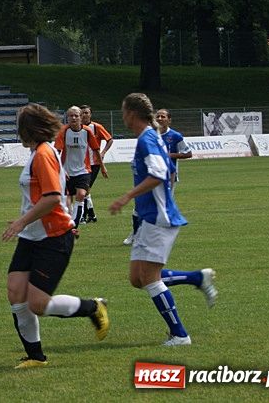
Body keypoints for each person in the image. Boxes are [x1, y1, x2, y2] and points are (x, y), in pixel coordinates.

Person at [2, 103, 109, 369]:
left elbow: (51, 198)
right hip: (32, 235)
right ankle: (35, 357)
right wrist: (24, 223)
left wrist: (20, 222)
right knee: (16, 292)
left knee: (37, 303)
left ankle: (93, 307)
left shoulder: (42, 155)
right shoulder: (37, 153)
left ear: (28, 129)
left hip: (54, 236)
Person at [109, 93, 218, 346]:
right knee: (137, 278)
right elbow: (165, 173)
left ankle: (180, 335)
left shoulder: (147, 138)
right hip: (151, 217)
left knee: (150, 279)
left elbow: (158, 175)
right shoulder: (150, 137)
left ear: (132, 114)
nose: (122, 116)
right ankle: (196, 278)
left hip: (158, 218)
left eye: (123, 111)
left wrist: (126, 197)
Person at [123, 108, 192, 245]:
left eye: (163, 116)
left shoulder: (175, 136)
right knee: (139, 206)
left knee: (161, 208)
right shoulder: (150, 135)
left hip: (168, 178)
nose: (160, 118)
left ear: (169, 120)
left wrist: (170, 155)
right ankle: (135, 233)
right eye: (158, 116)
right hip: (147, 177)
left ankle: (156, 237)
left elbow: (188, 153)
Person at [54, 106, 106, 236]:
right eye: (71, 116)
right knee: (67, 200)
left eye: (76, 115)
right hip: (66, 170)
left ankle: (74, 226)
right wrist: (60, 169)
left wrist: (102, 166)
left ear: (80, 117)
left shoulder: (87, 131)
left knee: (82, 194)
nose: (73, 118)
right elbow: (57, 152)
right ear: (67, 117)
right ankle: (68, 223)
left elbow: (95, 149)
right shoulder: (63, 131)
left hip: (84, 170)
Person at [80, 105, 114, 223]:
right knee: (85, 189)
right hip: (82, 164)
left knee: (84, 189)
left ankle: (83, 216)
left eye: (86, 113)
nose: (84, 115)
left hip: (94, 163)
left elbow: (109, 139)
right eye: (82, 113)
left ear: (90, 114)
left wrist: (103, 152)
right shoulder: (77, 128)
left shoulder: (96, 127)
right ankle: (92, 215)